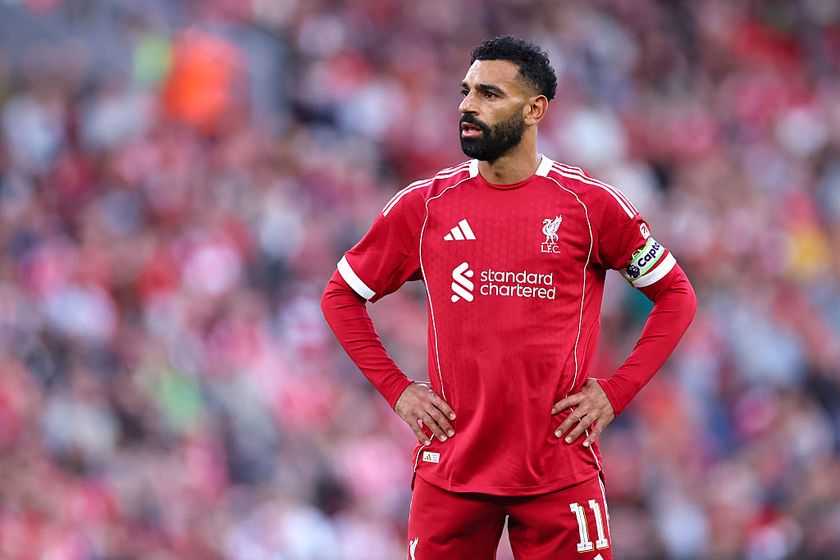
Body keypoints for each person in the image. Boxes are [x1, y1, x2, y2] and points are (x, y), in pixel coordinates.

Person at [321, 35, 697, 560]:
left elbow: (676, 295)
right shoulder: (426, 206)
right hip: (452, 473)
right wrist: (398, 390)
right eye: (466, 91)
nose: (468, 106)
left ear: (535, 109)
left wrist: (615, 394)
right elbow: (340, 296)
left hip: (559, 472)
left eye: (490, 94)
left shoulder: (589, 206)